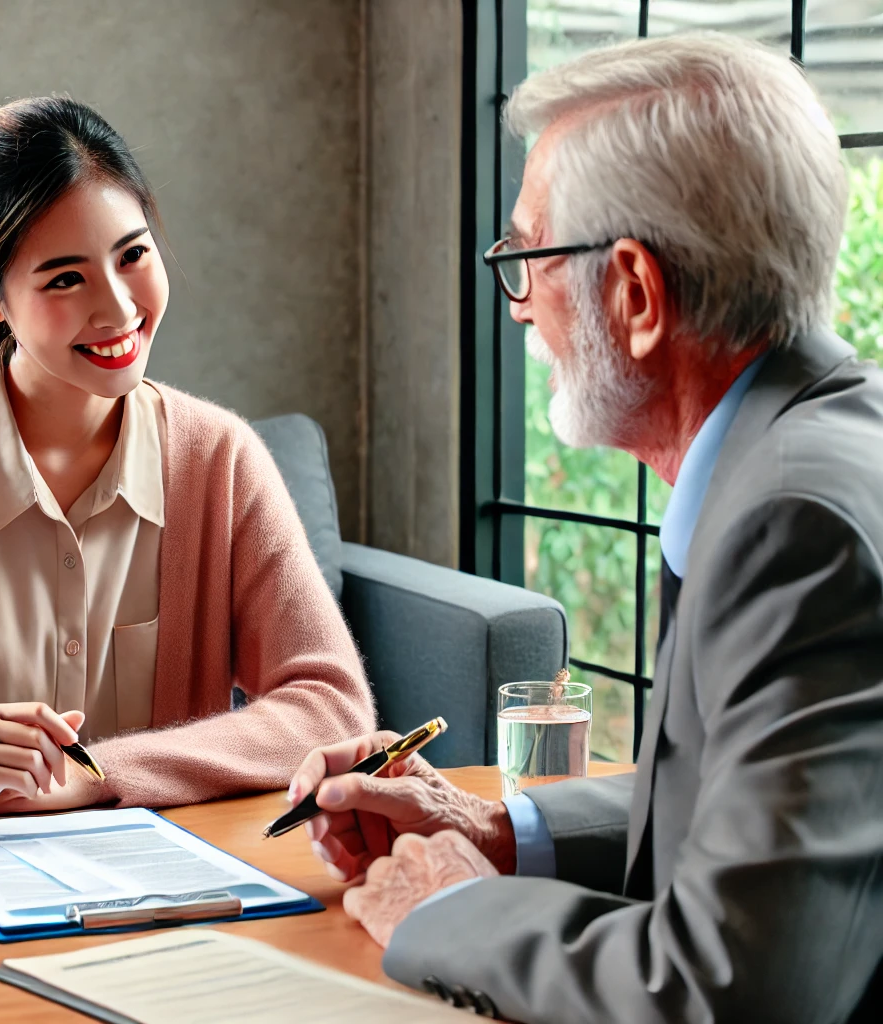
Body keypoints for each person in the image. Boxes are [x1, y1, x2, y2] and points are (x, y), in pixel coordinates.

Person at [288, 33, 883, 1022]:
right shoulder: (807, 451)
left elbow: (729, 988)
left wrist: (456, 906)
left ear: (636, 294)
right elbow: (758, 824)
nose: (518, 309)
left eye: (526, 256)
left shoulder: (792, 525)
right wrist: (493, 827)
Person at [0, 96, 375, 827]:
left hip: (166, 893)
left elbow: (331, 706)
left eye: (132, 255)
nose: (118, 309)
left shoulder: (218, 460)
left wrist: (103, 775)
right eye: (65, 279)